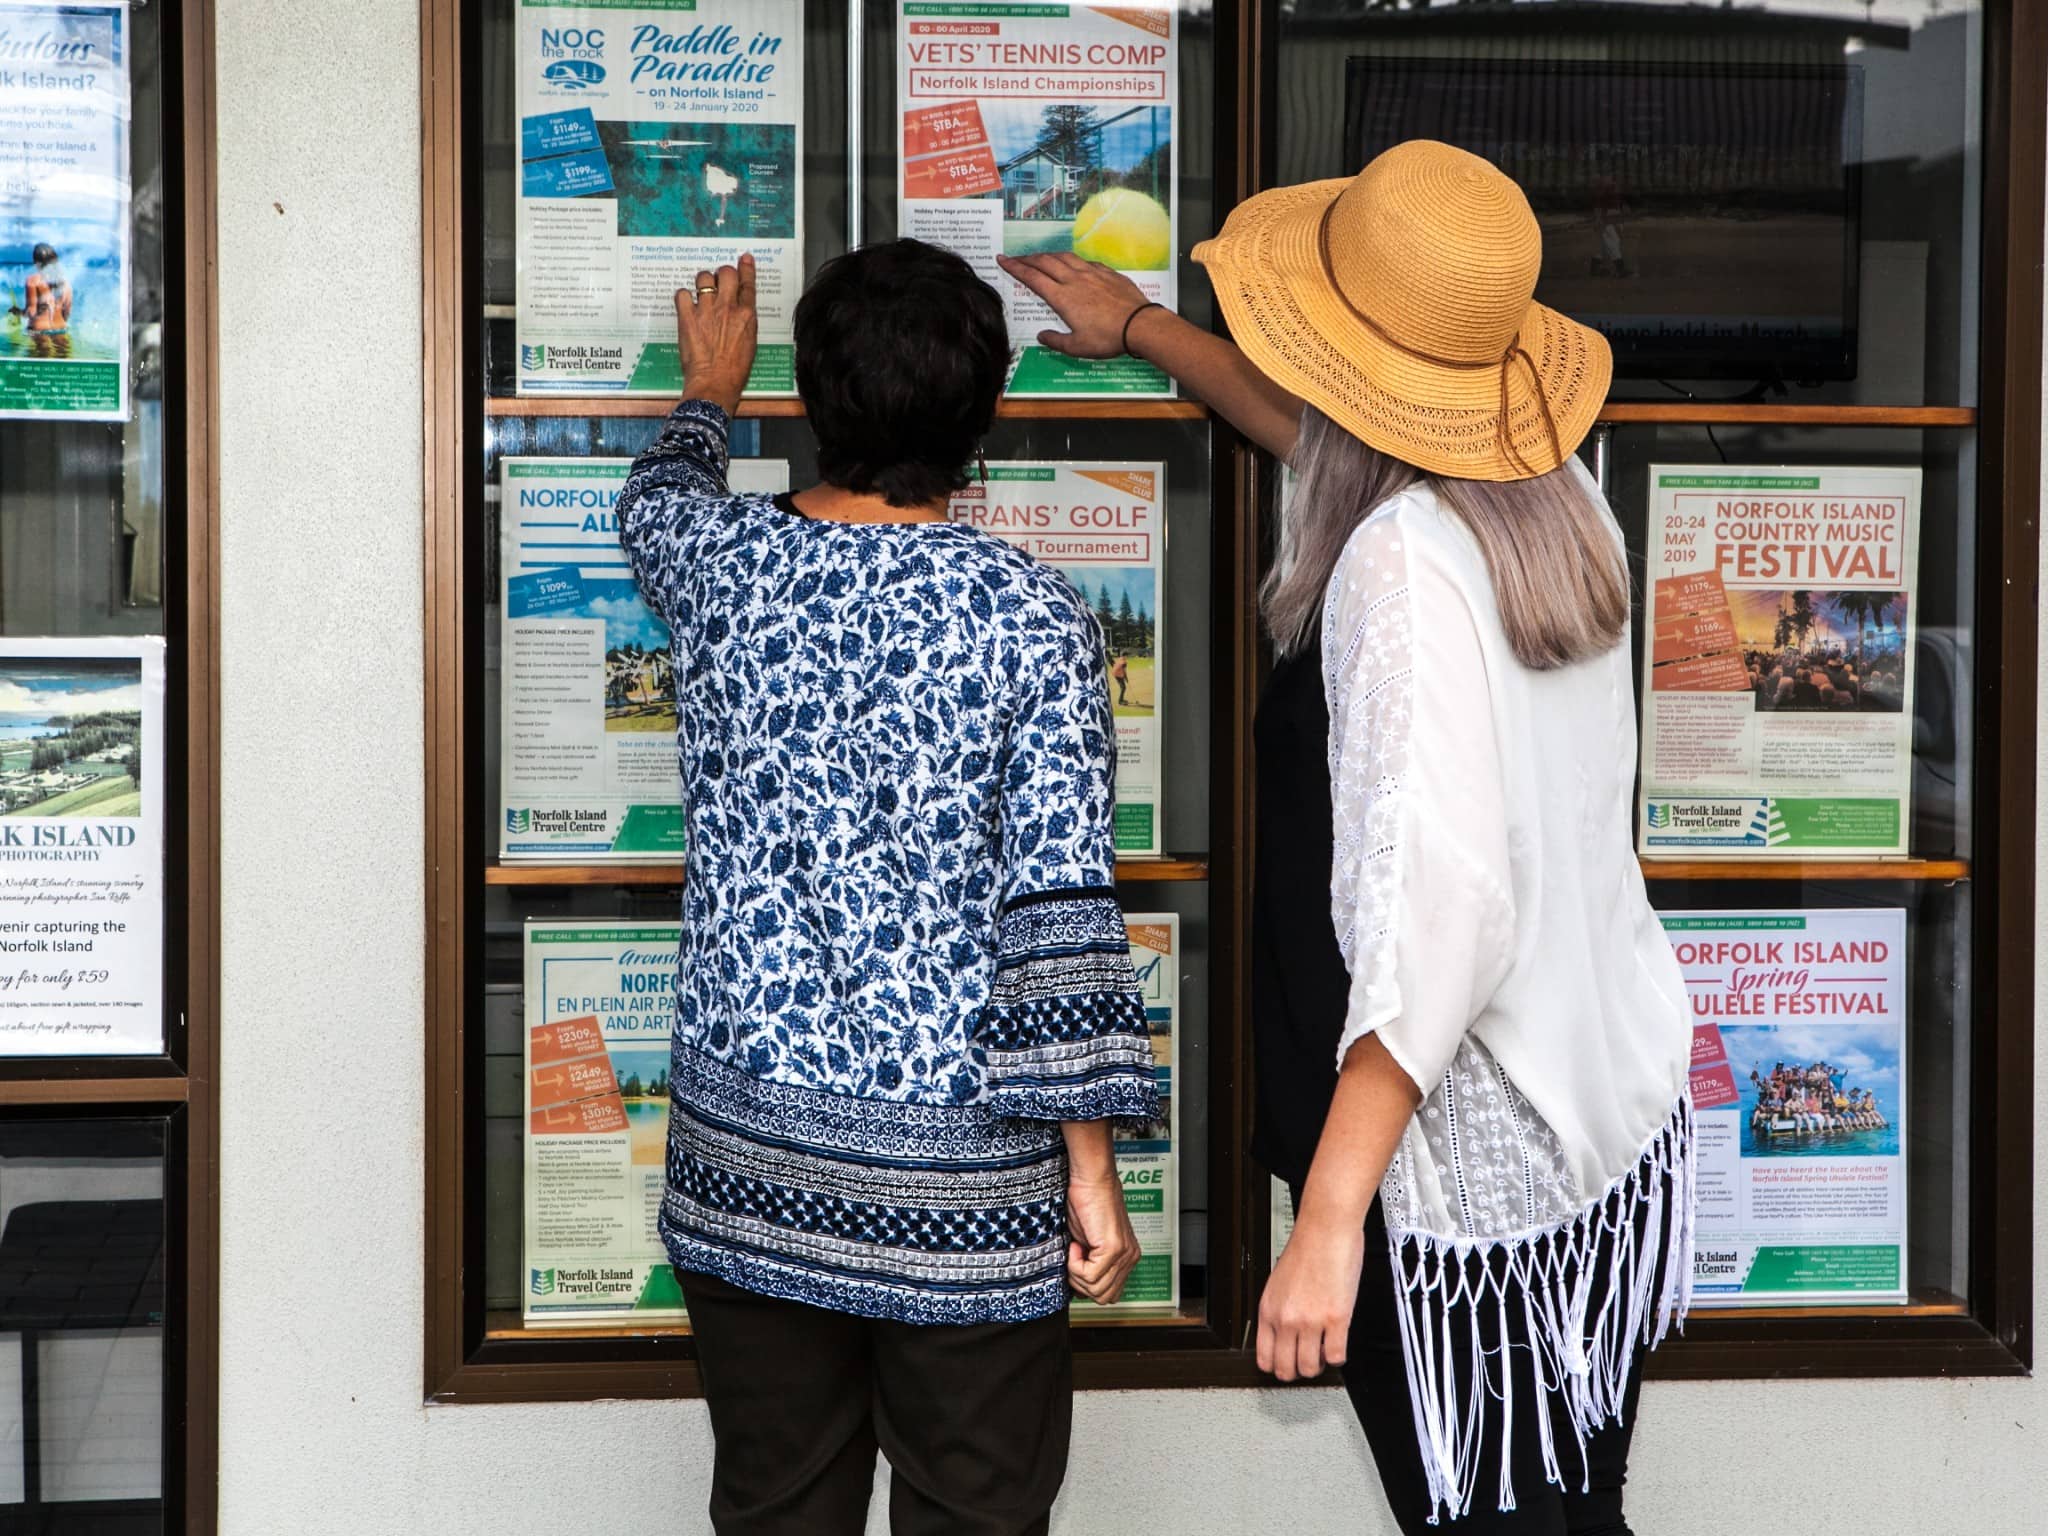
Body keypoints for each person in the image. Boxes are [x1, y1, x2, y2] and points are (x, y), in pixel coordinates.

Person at [1002, 139, 1693, 1533]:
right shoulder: (1563, 497)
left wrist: (1328, 1221)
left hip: (1461, 1175)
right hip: (1602, 1125)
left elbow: (1442, 906)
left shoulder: (1395, 565)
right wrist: (1141, 332)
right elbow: (1332, 437)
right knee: (1575, 1509)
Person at [615, 240, 1160, 1536]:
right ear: (983, 419)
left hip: (750, 1171)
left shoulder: (720, 571)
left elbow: (652, 499)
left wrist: (707, 393)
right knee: (976, 1513)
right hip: (964, 1199)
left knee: (776, 1512)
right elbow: (1059, 912)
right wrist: (1091, 1170)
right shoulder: (1033, 616)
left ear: (814, 402)